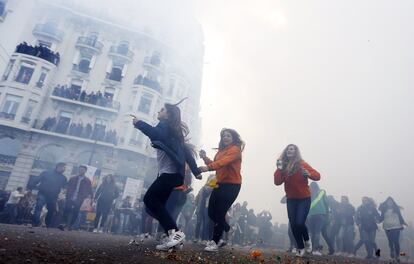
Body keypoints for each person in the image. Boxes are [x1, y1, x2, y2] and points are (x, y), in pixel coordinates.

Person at [132, 101, 202, 251]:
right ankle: (173, 237)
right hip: (173, 175)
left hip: (170, 174)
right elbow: (187, 154)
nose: (159, 111)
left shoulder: (164, 125)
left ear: (168, 115)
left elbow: (155, 134)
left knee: (149, 199)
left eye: (162, 110)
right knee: (154, 207)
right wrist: (195, 172)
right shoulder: (174, 132)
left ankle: (175, 233)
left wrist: (139, 123)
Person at [199, 128, 244, 252]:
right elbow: (216, 164)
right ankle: (228, 229)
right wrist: (205, 158)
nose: (225, 138)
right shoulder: (220, 151)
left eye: (228, 136)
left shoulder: (235, 150)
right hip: (219, 184)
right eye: (223, 136)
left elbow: (224, 162)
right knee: (211, 213)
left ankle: (215, 241)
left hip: (232, 185)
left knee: (220, 212)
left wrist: (207, 167)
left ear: (233, 138)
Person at [274, 144, 321, 257]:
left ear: (296, 152)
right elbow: (277, 182)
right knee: (293, 225)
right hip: (291, 200)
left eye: (292, 149)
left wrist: (309, 174)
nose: (289, 151)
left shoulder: (301, 164)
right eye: (288, 149)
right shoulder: (283, 165)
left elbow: (317, 176)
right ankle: (300, 248)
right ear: (285, 152)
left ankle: (307, 239)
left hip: (304, 199)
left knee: (300, 223)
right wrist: (279, 170)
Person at [30, 162, 68, 227]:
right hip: (43, 193)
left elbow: (64, 188)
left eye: (65, 168)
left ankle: (47, 224)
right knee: (39, 208)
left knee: (50, 210)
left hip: (53, 196)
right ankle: (35, 223)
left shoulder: (63, 178)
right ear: (59, 167)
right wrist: (32, 187)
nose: (64, 169)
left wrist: (62, 195)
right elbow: (36, 180)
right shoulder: (46, 173)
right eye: (64, 168)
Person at [59, 165, 92, 231]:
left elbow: (89, 190)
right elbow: (67, 186)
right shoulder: (73, 178)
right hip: (70, 196)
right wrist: (66, 193)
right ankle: (63, 223)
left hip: (79, 198)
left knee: (75, 212)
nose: (81, 171)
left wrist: (87, 196)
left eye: (82, 170)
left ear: (85, 171)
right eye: (80, 169)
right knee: (67, 209)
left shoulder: (87, 180)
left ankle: (70, 225)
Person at [379, 197, 407, 262]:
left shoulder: (396, 208)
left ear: (393, 202)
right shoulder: (384, 209)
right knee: (390, 241)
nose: (389, 203)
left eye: (391, 201)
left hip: (396, 227)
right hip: (387, 227)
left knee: (396, 241)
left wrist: (403, 222)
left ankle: (397, 256)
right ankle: (391, 253)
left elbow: (400, 216)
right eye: (388, 202)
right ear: (386, 202)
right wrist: (377, 220)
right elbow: (381, 218)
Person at [307, 182, 332, 256]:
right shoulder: (322, 192)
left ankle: (311, 249)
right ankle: (315, 250)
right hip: (321, 214)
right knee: (317, 232)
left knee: (311, 233)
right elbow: (327, 203)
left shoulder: (308, 192)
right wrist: (327, 216)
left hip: (310, 214)